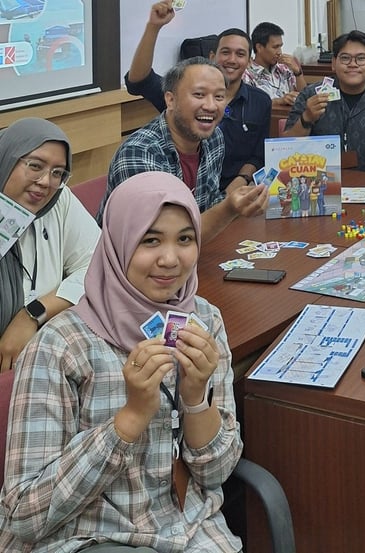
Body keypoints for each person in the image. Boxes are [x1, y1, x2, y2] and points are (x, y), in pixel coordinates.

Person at [0, 172, 243, 551]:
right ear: (117, 244)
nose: (170, 259)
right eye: (150, 240)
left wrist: (197, 399)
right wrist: (129, 419)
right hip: (90, 537)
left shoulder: (204, 322)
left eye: (185, 239)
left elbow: (215, 474)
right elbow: (24, 514)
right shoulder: (61, 344)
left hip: (189, 530)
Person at [101, 56, 268, 244]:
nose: (211, 106)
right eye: (199, 94)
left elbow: (208, 206)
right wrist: (229, 209)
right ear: (170, 100)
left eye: (219, 97)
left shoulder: (214, 138)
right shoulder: (140, 153)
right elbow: (165, 240)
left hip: (192, 253)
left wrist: (240, 200)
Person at [125, 0, 272, 191]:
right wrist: (153, 27)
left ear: (249, 61)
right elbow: (139, 81)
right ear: (212, 57)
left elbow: (258, 154)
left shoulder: (261, 101)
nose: (232, 60)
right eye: (225, 52)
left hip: (236, 190)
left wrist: (241, 180)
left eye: (240, 54)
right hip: (185, 193)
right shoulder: (183, 95)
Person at [0, 118, 99, 373]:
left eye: (58, 173)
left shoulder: (58, 200)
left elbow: (99, 265)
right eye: (35, 166)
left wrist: (33, 314)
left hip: (45, 355)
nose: (46, 181)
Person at [283, 30, 365, 173]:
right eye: (345, 58)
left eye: (361, 58)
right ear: (333, 63)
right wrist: (306, 118)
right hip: (318, 181)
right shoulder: (310, 95)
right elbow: (285, 150)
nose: (353, 64)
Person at [242, 21, 308, 107]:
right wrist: (278, 101)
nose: (279, 52)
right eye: (275, 47)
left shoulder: (284, 69)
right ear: (259, 47)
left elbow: (305, 97)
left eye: (280, 46)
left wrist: (297, 72)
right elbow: (249, 105)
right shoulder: (247, 75)